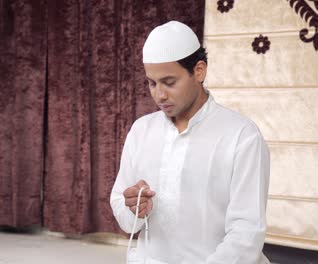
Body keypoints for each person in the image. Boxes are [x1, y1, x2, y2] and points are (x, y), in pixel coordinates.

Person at [110, 21, 271, 264]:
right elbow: (123, 212)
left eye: (169, 82)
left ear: (199, 71)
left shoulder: (242, 136)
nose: (159, 95)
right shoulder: (141, 130)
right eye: (152, 83)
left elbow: (246, 233)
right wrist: (134, 208)